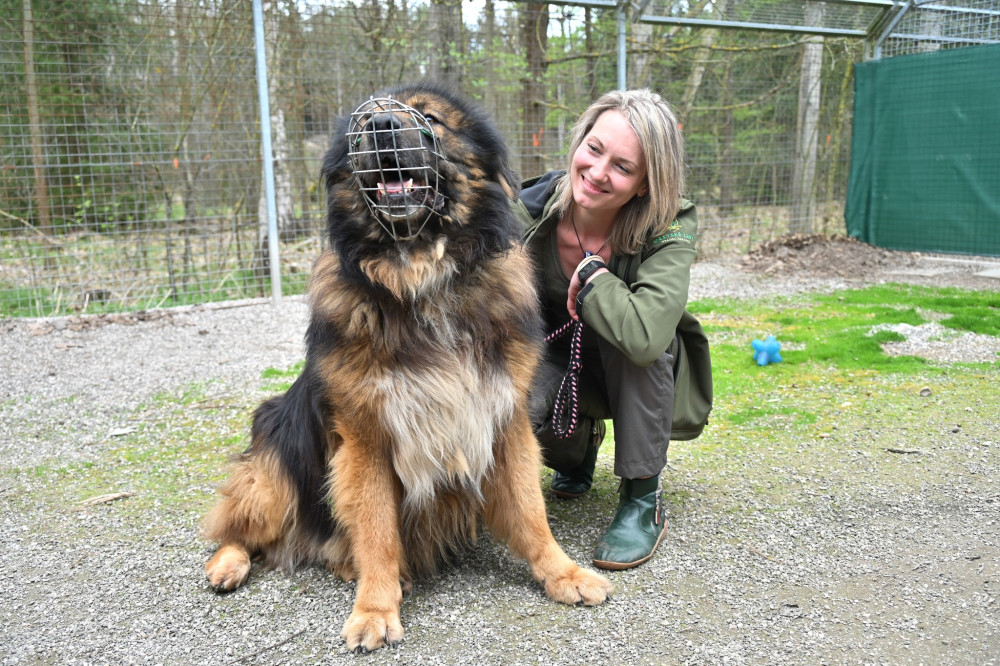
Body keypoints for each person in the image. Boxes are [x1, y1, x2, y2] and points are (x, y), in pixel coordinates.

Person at [514, 89, 712, 571]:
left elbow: (645, 336)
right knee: (513, 389)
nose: (599, 172)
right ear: (579, 141)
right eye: (594, 149)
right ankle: (576, 450)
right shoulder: (528, 209)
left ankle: (643, 500)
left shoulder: (669, 225)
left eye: (623, 167)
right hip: (559, 359)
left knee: (636, 341)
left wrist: (593, 277)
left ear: (646, 183)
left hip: (637, 370)